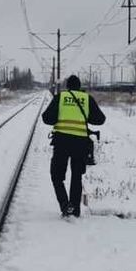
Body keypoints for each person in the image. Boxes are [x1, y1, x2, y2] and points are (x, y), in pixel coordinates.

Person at [41, 75, 106, 217]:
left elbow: (46, 118)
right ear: (79, 86)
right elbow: (101, 119)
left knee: (56, 176)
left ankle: (65, 205)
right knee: (76, 176)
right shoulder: (87, 98)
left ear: (67, 86)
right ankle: (75, 210)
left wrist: (59, 117)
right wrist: (85, 116)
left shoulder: (61, 97)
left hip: (61, 142)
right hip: (80, 143)